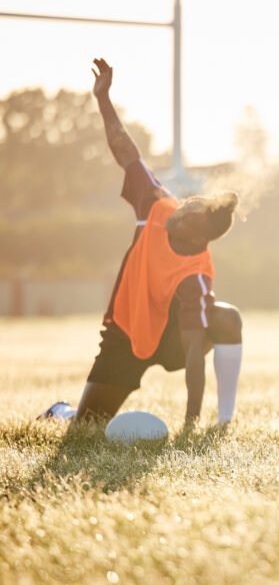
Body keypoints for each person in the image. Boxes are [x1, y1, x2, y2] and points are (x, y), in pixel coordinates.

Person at [38, 58, 244, 427]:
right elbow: (126, 152)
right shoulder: (156, 204)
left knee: (227, 317)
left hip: (172, 339)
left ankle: (226, 420)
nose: (178, 210)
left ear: (198, 237)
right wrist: (104, 100)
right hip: (126, 330)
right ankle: (61, 412)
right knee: (87, 428)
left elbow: (195, 352)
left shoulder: (196, 274)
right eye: (187, 203)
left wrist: (191, 423)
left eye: (188, 214)